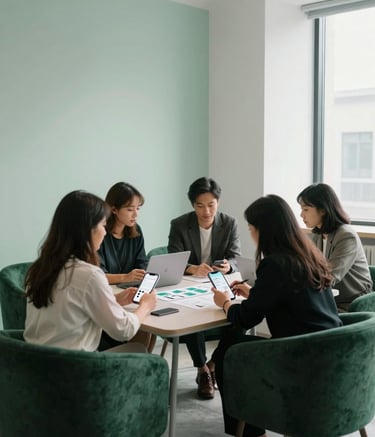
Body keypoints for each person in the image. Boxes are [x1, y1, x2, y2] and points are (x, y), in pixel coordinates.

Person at [211, 194, 342, 437]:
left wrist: (226, 303)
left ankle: (250, 431)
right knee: (233, 343)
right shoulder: (309, 255)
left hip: (299, 357)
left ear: (263, 230)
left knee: (229, 352)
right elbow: (290, 298)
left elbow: (245, 319)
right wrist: (256, 293)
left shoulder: (275, 264)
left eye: (251, 228)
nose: (251, 234)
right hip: (332, 352)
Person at [24, 190, 157, 352]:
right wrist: (145, 305)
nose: (105, 232)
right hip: (76, 369)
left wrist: (113, 300)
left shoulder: (40, 267)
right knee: (141, 352)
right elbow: (124, 330)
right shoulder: (89, 275)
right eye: (102, 225)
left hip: (33, 364)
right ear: (87, 230)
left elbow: (69, 307)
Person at [168, 176, 241, 399]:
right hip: (189, 284)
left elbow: (236, 257)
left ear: (218, 202)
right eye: (200, 205)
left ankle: (214, 363)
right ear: (193, 205)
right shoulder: (180, 224)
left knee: (242, 315)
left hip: (218, 283)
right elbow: (173, 259)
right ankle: (202, 370)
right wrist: (191, 269)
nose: (206, 211)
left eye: (211, 204)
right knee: (192, 317)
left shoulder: (229, 223)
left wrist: (229, 266)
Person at [297, 183, 372, 311]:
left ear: (323, 210)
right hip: (330, 298)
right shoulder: (317, 235)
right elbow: (310, 269)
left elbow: (329, 276)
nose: (301, 215)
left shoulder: (346, 236)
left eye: (306, 209)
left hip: (351, 301)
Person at [98, 182, 148, 285]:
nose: (135, 214)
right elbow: (98, 276)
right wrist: (125, 277)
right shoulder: (98, 234)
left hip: (129, 289)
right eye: (130, 209)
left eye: (138, 208)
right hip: (106, 290)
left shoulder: (136, 231)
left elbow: (142, 264)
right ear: (114, 209)